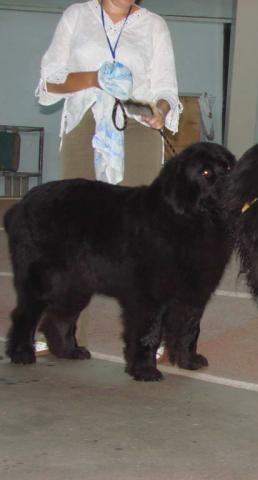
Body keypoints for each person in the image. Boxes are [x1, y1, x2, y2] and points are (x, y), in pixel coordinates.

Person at [35, 0, 181, 351]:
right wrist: (95, 79)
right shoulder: (77, 15)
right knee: (73, 233)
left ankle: (147, 335)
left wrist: (160, 111)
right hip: (86, 121)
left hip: (137, 123)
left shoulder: (154, 25)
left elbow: (166, 89)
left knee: (145, 236)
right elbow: (50, 81)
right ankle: (61, 330)